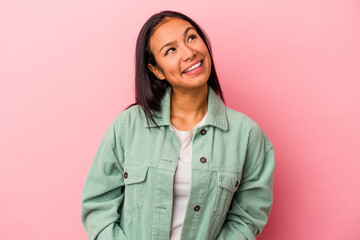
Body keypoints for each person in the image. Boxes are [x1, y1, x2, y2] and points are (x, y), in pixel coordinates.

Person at [81, 10, 275, 240]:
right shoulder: (128, 126)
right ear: (156, 70)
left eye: (191, 38)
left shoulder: (247, 136)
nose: (189, 52)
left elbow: (246, 219)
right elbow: (98, 207)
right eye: (170, 50)